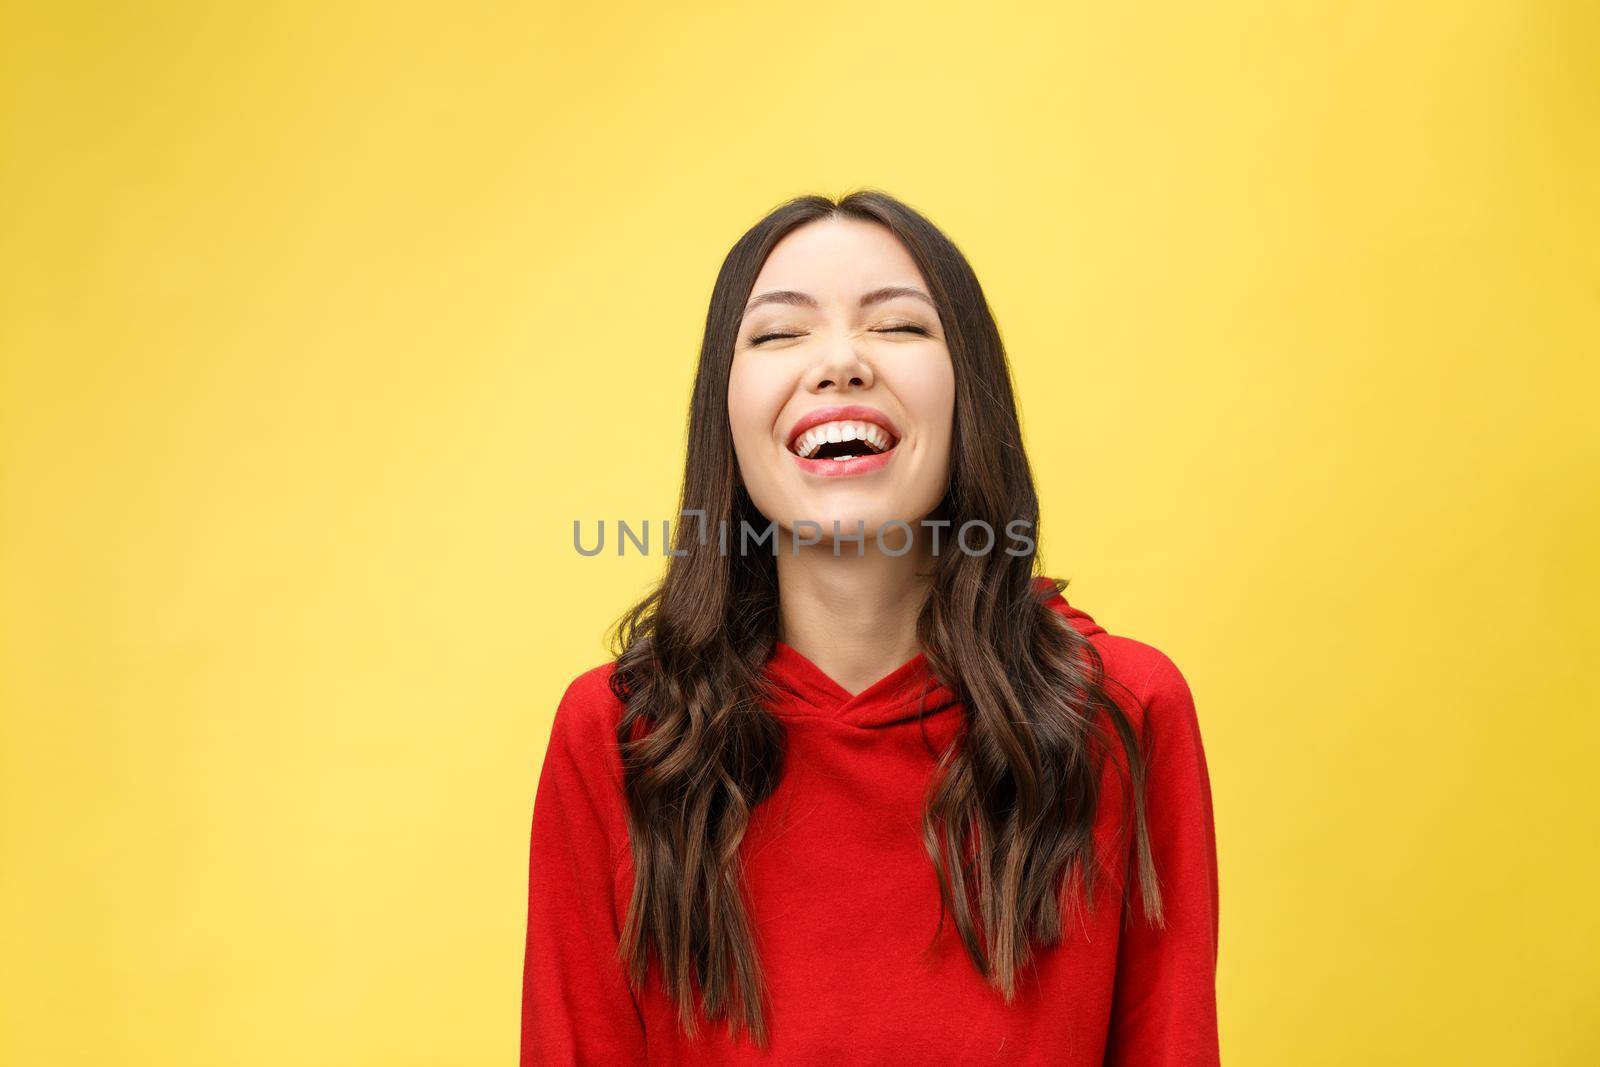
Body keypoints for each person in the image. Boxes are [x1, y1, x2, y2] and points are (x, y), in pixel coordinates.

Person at [520, 190, 1220, 1065]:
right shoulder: (622, 737)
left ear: (971, 395)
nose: (841, 362)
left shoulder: (1121, 712)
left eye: (897, 327)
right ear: (724, 417)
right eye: (778, 334)